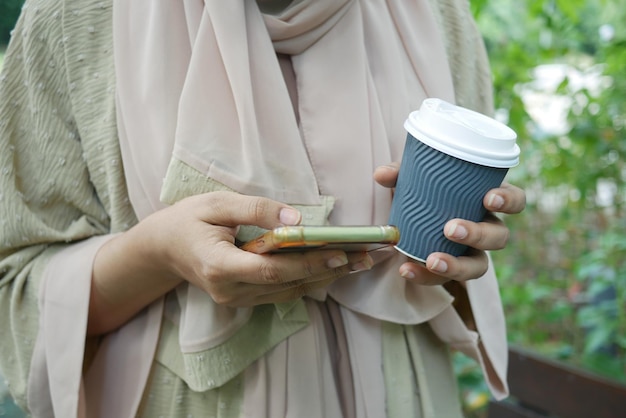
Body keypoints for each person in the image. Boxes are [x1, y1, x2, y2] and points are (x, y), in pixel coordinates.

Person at [0, 0, 526, 417]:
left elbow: (448, 275)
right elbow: (15, 285)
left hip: (402, 394)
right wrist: (160, 254)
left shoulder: (436, 14)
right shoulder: (73, 16)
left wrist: (457, 256)